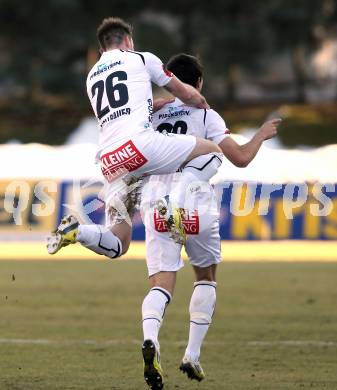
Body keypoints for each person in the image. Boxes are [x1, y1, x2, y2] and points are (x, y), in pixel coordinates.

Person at [139, 54, 281, 389]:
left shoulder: (151, 115)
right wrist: (260, 133)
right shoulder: (206, 114)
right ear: (199, 82)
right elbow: (241, 158)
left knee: (161, 282)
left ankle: (150, 339)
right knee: (205, 275)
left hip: (158, 202)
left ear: (169, 79)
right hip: (197, 207)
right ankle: (192, 353)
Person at [46, 16, 223, 257]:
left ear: (101, 49)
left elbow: (119, 113)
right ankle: (175, 202)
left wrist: (150, 107)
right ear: (129, 40)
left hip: (110, 160)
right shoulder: (141, 58)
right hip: (141, 146)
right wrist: (203, 104)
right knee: (212, 150)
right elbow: (187, 94)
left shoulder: (92, 76)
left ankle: (78, 232)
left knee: (118, 244)